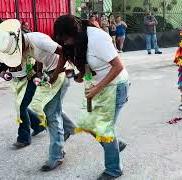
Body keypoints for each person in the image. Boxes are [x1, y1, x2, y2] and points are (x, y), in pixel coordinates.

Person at [0, 19, 75, 171]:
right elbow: (39, 58)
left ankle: (57, 155)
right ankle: (69, 127)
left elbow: (64, 52)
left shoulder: (38, 40)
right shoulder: (27, 44)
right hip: (48, 75)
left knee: (51, 114)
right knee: (50, 109)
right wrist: (38, 72)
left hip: (60, 74)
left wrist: (56, 75)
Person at [54, 15, 129, 180]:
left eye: (66, 39)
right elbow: (91, 63)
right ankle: (116, 145)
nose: (65, 43)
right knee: (87, 123)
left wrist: (97, 88)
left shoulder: (97, 38)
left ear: (74, 33)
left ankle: (113, 170)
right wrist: (81, 75)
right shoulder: (79, 41)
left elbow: (118, 66)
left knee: (103, 128)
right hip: (98, 86)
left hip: (116, 86)